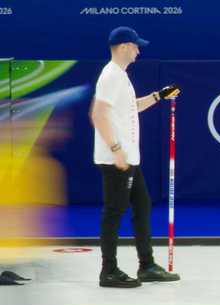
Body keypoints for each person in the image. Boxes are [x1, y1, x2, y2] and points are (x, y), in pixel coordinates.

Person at [90, 26, 181, 288]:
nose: (139, 51)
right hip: (116, 158)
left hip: (129, 157)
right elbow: (98, 115)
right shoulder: (110, 76)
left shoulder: (121, 76)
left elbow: (131, 108)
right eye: (136, 46)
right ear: (124, 47)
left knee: (142, 206)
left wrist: (159, 96)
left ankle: (147, 265)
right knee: (114, 211)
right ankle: (109, 271)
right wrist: (117, 150)